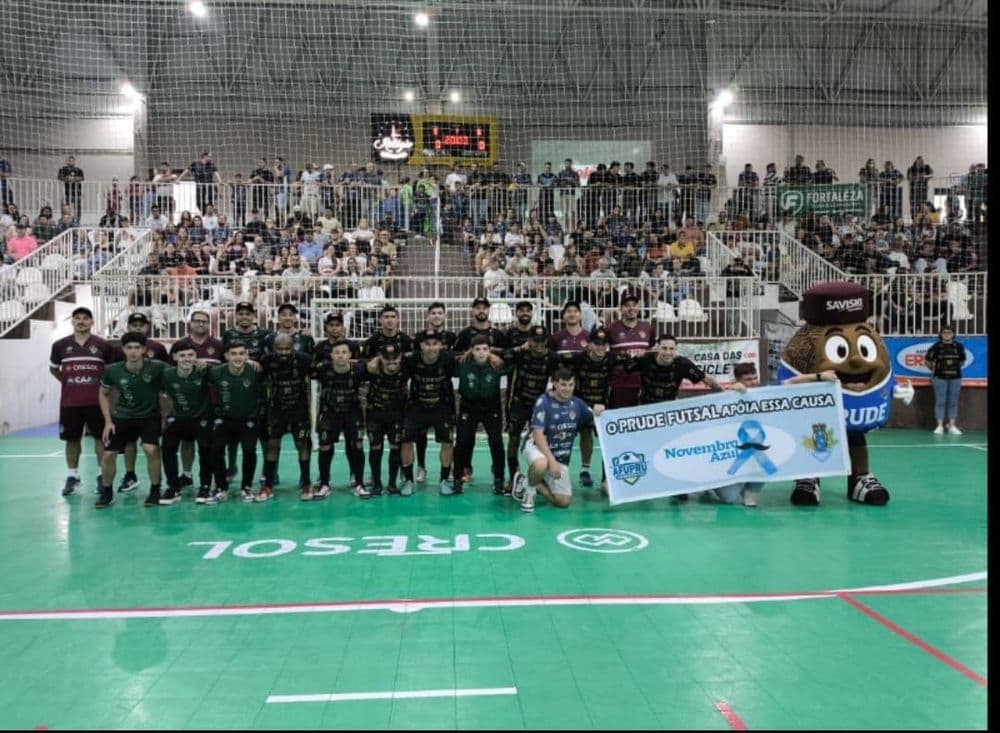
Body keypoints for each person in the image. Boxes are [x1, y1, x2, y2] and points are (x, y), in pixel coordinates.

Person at [50, 306, 121, 497]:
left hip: (97, 402)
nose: (81, 321)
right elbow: (54, 369)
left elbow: (111, 373)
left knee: (101, 438)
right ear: (72, 321)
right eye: (77, 318)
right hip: (70, 402)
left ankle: (101, 474)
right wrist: (69, 382)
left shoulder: (103, 346)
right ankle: (73, 476)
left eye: (85, 318)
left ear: (92, 322)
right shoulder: (60, 345)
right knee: (72, 439)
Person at [511, 368, 601, 512]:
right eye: (563, 384)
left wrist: (600, 411)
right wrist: (551, 461)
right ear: (554, 383)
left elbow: (601, 420)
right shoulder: (543, 402)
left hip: (561, 457)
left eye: (571, 385)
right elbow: (538, 434)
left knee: (563, 502)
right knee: (541, 463)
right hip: (536, 447)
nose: (567, 389)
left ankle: (525, 480)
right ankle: (530, 491)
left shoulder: (578, 405)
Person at [97, 332, 168, 509]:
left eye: (137, 348)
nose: (133, 352)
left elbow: (178, 372)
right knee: (108, 455)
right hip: (122, 417)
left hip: (149, 417)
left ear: (144, 349)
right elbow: (103, 394)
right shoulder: (112, 370)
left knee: (151, 449)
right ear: (123, 350)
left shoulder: (158, 367)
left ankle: (155, 490)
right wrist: (108, 421)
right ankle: (106, 492)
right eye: (129, 348)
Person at [399, 329, 459, 495]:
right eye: (427, 344)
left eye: (435, 344)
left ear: (441, 345)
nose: (431, 348)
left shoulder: (448, 358)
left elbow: (468, 357)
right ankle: (409, 480)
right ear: (421, 346)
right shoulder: (411, 360)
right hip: (417, 407)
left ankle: (444, 480)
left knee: (448, 442)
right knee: (405, 441)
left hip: (441, 406)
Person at [451, 335, 512, 495]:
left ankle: (499, 479)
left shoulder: (497, 364)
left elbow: (513, 356)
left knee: (496, 442)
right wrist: (462, 354)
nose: (481, 353)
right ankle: (457, 478)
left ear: (489, 350)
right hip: (468, 407)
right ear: (471, 350)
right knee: (462, 441)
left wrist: (495, 354)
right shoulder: (462, 364)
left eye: (485, 349)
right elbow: (446, 357)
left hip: (491, 408)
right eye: (477, 349)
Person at [259, 332, 315, 501]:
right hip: (277, 411)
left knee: (302, 444)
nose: (283, 352)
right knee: (272, 445)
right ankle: (268, 485)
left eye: (287, 349)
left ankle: (306, 483)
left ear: (293, 347)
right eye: (279, 349)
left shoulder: (305, 359)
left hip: (300, 412)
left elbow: (317, 374)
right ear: (274, 348)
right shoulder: (267, 360)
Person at [206, 340, 263, 503]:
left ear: (246, 355)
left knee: (249, 450)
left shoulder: (254, 370)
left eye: (241, 353)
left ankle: (246, 487)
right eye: (233, 354)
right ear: (226, 356)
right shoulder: (216, 372)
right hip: (224, 418)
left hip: (248, 419)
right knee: (216, 450)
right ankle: (220, 487)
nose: (237, 357)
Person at [504, 325, 558, 493]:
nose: (539, 345)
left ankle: (540, 475)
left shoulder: (552, 357)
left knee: (541, 441)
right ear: (529, 341)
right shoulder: (521, 354)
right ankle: (514, 476)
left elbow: (557, 379)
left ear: (546, 341)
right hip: (519, 402)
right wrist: (519, 348)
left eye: (542, 341)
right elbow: (503, 355)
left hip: (540, 405)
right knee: (513, 439)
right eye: (535, 341)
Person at [312, 339, 369, 499]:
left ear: (350, 355)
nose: (341, 356)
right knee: (324, 446)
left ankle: (359, 484)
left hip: (352, 412)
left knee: (357, 445)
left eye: (344, 352)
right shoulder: (322, 370)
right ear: (331, 355)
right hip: (330, 413)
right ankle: (324, 484)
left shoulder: (359, 370)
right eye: (337, 353)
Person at [159, 338, 213, 504]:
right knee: (167, 448)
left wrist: (248, 361)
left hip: (201, 418)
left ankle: (205, 486)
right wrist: (165, 415)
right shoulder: (167, 375)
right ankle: (173, 488)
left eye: (191, 355)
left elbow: (228, 370)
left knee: (205, 449)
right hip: (179, 417)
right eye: (182, 355)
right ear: (175, 358)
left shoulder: (204, 371)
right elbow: (161, 394)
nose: (187, 359)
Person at [710, 363, 765, 507]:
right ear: (737, 381)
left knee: (767, 459)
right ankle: (709, 483)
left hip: (751, 450)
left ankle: (750, 494)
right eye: (748, 379)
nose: (753, 382)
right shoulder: (728, 398)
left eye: (755, 378)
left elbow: (788, 384)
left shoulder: (765, 396)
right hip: (729, 455)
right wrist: (732, 390)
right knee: (730, 498)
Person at [363, 343, 409, 495]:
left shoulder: (406, 369)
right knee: (375, 447)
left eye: (395, 361)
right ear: (381, 358)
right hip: (375, 414)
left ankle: (392, 484)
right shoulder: (371, 369)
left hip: (396, 415)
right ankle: (376, 484)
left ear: (400, 358)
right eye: (387, 361)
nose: (391, 365)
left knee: (395, 447)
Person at [924, 324, 966, 435]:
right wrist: (934, 369)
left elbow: (962, 361)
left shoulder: (959, 347)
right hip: (939, 377)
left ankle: (952, 426)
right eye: (944, 333)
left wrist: (953, 368)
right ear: (941, 334)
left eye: (949, 332)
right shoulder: (936, 347)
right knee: (940, 402)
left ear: (953, 334)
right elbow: (927, 361)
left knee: (953, 402)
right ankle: (939, 426)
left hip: (955, 377)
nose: (947, 335)